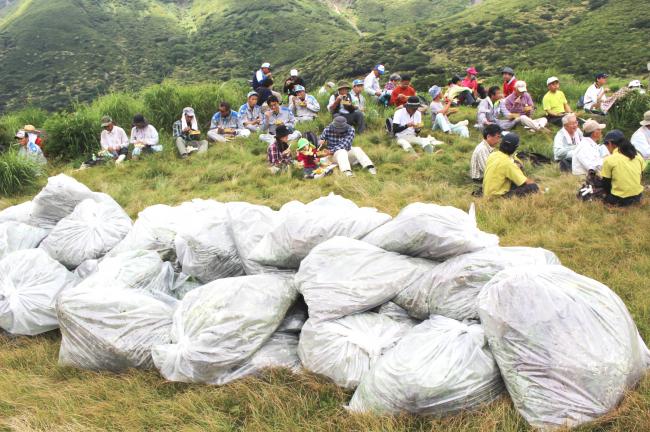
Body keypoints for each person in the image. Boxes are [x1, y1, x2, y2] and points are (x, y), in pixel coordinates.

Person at [483, 133, 539, 198]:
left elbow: (511, 158)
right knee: (533, 187)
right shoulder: (508, 163)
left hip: (487, 194)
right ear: (515, 148)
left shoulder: (493, 155)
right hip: (497, 198)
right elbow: (526, 182)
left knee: (514, 181)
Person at [601, 130, 645, 207]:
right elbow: (640, 175)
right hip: (638, 197)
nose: (606, 147)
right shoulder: (638, 156)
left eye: (606, 144)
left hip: (619, 200)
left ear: (611, 143)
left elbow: (606, 184)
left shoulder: (609, 159)